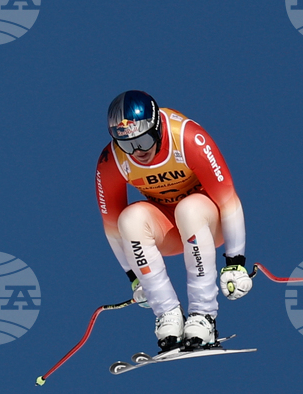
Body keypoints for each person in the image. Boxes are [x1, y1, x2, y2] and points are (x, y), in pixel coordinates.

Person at [96, 90, 252, 352]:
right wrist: (136, 279)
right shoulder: (113, 160)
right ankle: (167, 313)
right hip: (168, 229)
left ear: (157, 127)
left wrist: (235, 263)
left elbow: (229, 201)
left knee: (189, 209)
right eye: (128, 144)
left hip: (208, 220)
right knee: (129, 219)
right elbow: (111, 228)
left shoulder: (187, 138)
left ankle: (203, 316)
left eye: (144, 140)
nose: (137, 151)